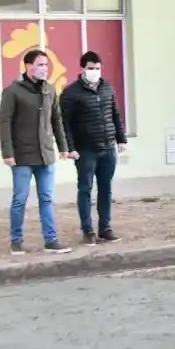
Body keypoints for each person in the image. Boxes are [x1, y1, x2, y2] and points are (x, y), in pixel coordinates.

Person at [0, 49, 73, 256]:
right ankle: (16, 241)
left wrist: (63, 147)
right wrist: (7, 152)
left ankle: (51, 240)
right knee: (19, 199)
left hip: (45, 155)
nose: (44, 69)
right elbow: (4, 123)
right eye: (40, 65)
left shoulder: (49, 90)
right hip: (22, 156)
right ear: (28, 66)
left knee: (47, 198)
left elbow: (56, 120)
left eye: (46, 65)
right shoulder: (13, 91)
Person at [61, 51, 127, 246]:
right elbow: (65, 123)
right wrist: (70, 148)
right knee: (85, 189)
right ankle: (87, 230)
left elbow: (115, 114)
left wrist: (121, 139)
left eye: (98, 68)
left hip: (108, 147)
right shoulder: (71, 93)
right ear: (82, 69)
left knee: (106, 189)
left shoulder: (107, 88)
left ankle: (105, 228)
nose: (95, 71)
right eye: (91, 68)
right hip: (85, 150)